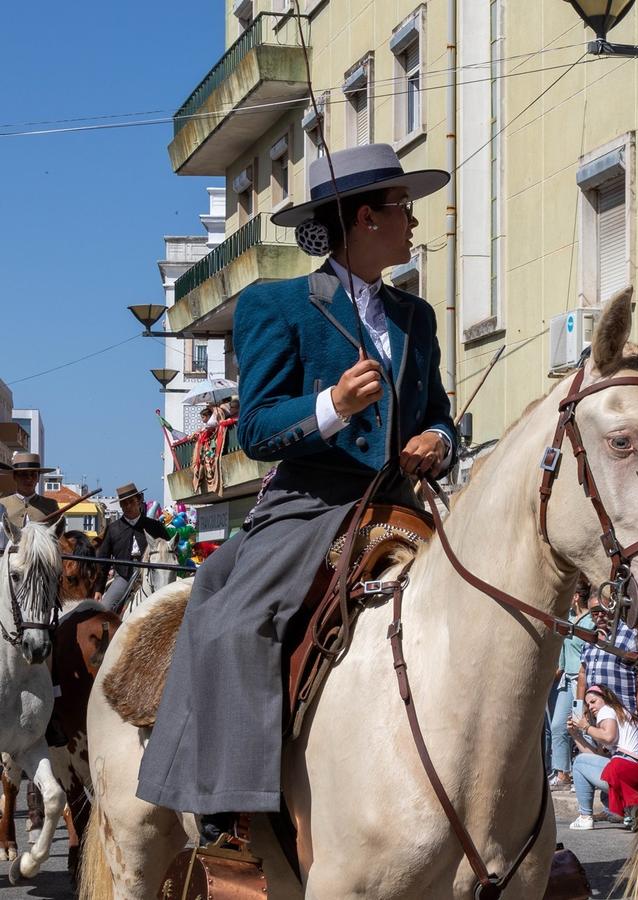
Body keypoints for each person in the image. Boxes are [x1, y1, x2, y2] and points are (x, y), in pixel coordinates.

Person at [137, 144, 458, 843]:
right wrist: (332, 404)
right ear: (367, 217)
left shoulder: (417, 317)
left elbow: (437, 409)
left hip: (405, 499)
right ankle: (229, 809)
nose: (413, 223)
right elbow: (255, 427)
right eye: (404, 208)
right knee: (232, 623)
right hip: (313, 504)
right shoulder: (275, 305)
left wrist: (440, 439)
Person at [565, 684, 638, 831]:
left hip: (625, 769)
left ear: (605, 698)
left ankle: (585, 817)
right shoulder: (621, 713)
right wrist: (576, 735)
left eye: (593, 702)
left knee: (579, 762)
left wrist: (586, 727)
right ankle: (634, 811)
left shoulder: (606, 710)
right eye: (587, 704)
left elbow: (608, 736)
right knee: (584, 764)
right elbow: (595, 758)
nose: (591, 707)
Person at [547, 577, 594, 791]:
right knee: (558, 726)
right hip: (567, 679)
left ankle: (588, 773)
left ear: (575, 597)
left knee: (584, 727)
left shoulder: (591, 620)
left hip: (584, 681)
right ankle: (562, 773)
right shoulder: (568, 619)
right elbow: (563, 654)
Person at [95, 483, 172, 612]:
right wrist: (98, 589)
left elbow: (170, 551)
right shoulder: (113, 529)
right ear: (120, 505)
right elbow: (103, 562)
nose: (128, 506)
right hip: (124, 576)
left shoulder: (155, 526)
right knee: (104, 610)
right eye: (124, 503)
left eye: (131, 501)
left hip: (152, 575)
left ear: (139, 500)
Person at [0, 452, 64, 540]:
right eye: (24, 474)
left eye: (33, 474)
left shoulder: (51, 505)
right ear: (14, 477)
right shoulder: (2, 504)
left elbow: (58, 537)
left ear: (38, 478)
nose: (29, 479)